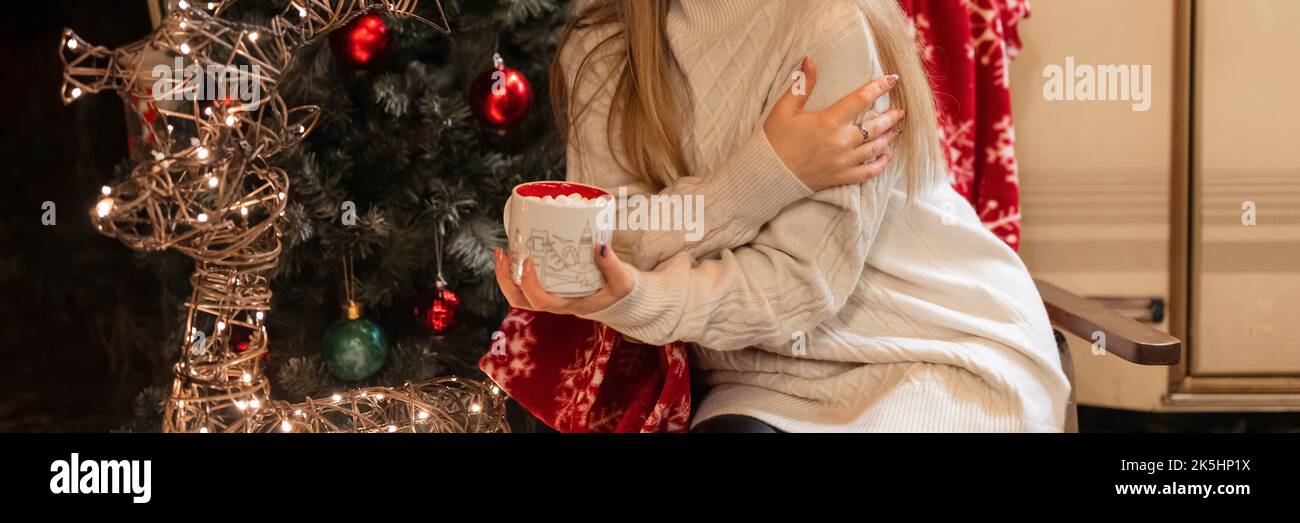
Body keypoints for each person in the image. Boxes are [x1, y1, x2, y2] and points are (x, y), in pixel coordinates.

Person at [493, 0, 1069, 432]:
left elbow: (801, 285)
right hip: (757, 379)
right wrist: (763, 174)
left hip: (932, 349)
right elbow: (616, 241)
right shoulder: (605, 44)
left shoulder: (830, 24)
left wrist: (640, 297)